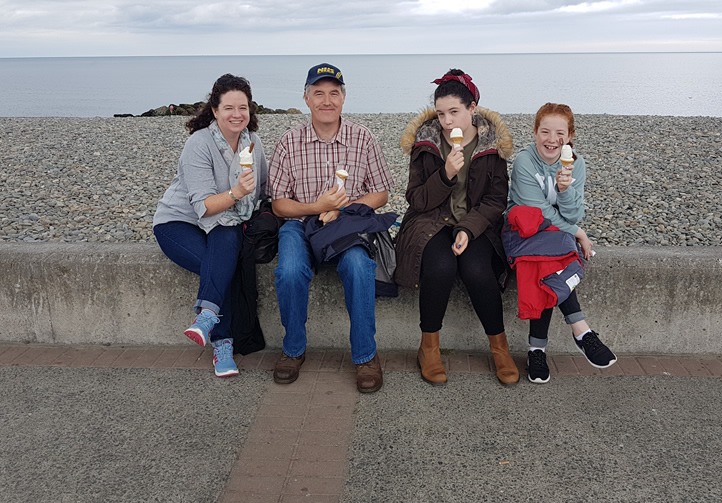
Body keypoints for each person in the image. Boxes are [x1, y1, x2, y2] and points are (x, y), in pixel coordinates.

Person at [267, 63, 394, 393]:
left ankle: (365, 355)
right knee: (290, 271)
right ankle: (293, 349)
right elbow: (279, 204)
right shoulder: (289, 141)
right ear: (306, 99)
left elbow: (381, 192)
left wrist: (342, 209)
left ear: (343, 98)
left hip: (345, 225)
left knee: (359, 266)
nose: (327, 100)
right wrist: (317, 207)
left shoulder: (362, 137)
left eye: (334, 93)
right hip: (299, 224)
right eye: (319, 93)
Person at [394, 69, 519, 385]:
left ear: (472, 108)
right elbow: (416, 199)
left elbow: (496, 200)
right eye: (441, 113)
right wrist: (446, 174)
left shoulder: (491, 145)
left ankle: (500, 348)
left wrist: (467, 229)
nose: (447, 121)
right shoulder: (426, 143)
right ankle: (429, 348)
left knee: (477, 270)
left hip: (476, 223)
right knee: (440, 267)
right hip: (431, 221)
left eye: (454, 112)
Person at [153, 74, 268, 378]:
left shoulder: (253, 144)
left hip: (224, 223)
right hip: (180, 222)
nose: (236, 114)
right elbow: (203, 206)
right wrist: (237, 192)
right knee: (220, 265)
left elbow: (264, 190)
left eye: (242, 107)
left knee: (225, 250)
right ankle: (222, 343)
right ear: (215, 110)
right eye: (228, 108)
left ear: (250, 110)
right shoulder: (199, 143)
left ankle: (206, 316)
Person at [505, 102, 617, 384]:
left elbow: (574, 213)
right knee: (548, 259)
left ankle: (537, 350)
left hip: (555, 234)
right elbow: (538, 209)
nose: (551, 139)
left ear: (570, 136)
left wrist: (565, 190)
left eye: (559, 133)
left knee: (546, 265)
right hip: (523, 229)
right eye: (545, 131)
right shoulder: (525, 161)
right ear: (535, 132)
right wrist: (578, 232)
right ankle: (581, 330)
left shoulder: (577, 164)